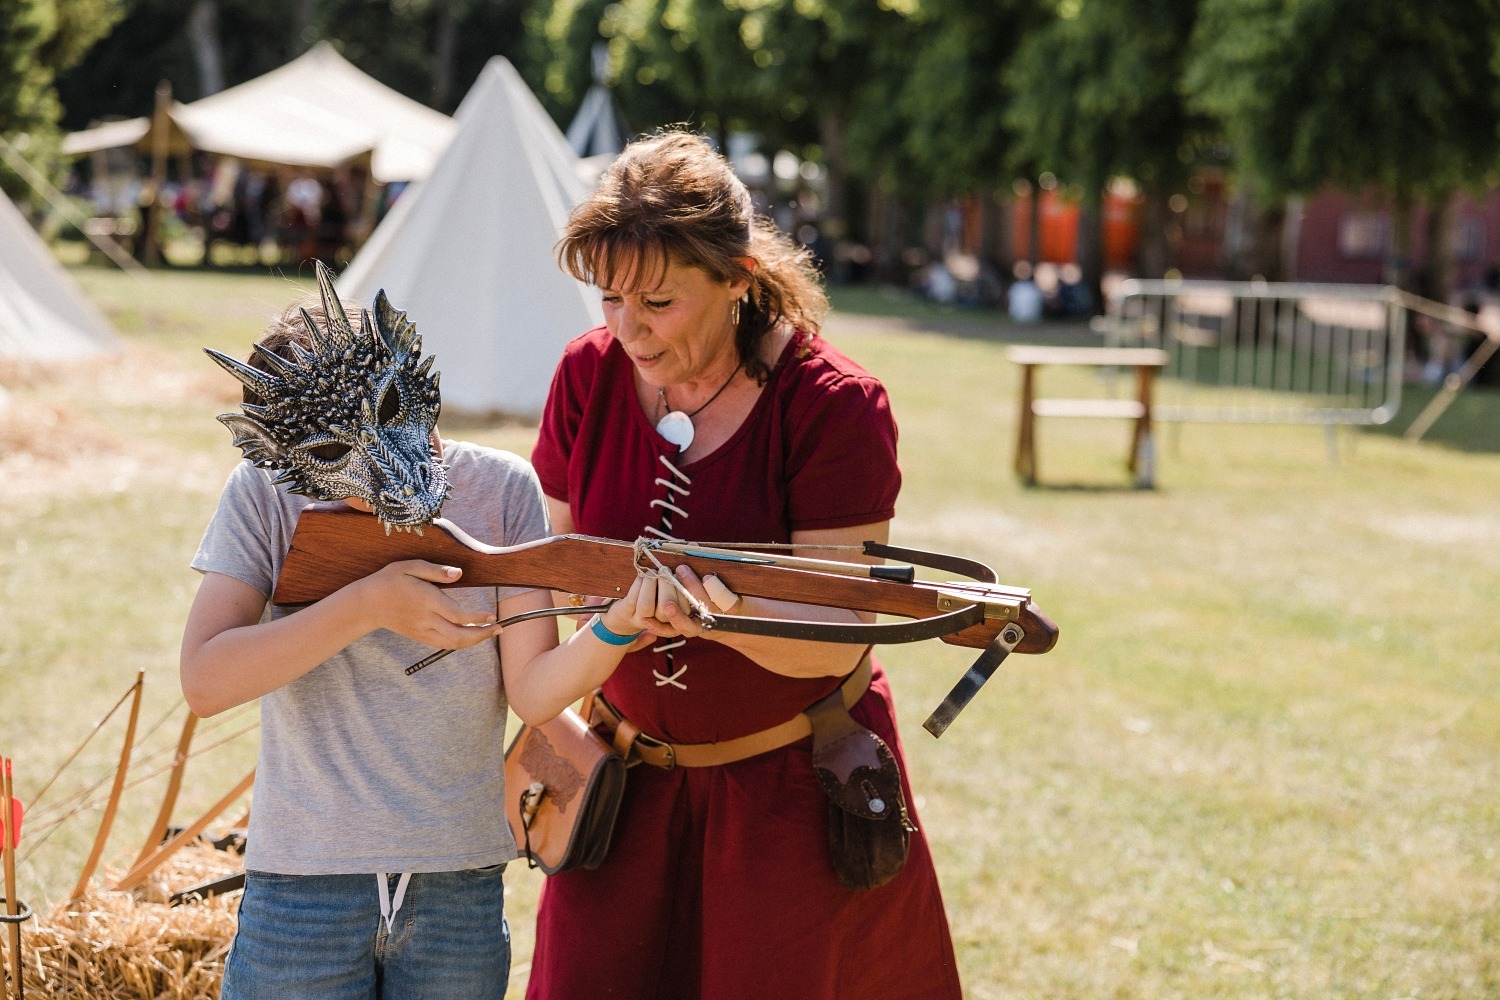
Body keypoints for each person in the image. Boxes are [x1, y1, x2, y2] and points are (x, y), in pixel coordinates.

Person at [527, 130, 963, 999]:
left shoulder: (832, 405)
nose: (628, 329)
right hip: (625, 786)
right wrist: (614, 620)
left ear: (739, 279)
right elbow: (562, 573)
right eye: (609, 298)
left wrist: (716, 616)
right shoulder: (587, 375)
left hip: (789, 793)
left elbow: (840, 635)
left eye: (657, 301)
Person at [180, 268, 665, 1000]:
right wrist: (365, 605)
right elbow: (205, 680)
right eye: (337, 452)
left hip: (456, 886)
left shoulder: (503, 487)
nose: (388, 459)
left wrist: (618, 625)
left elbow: (535, 693)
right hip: (301, 886)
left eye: (391, 407)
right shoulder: (266, 497)